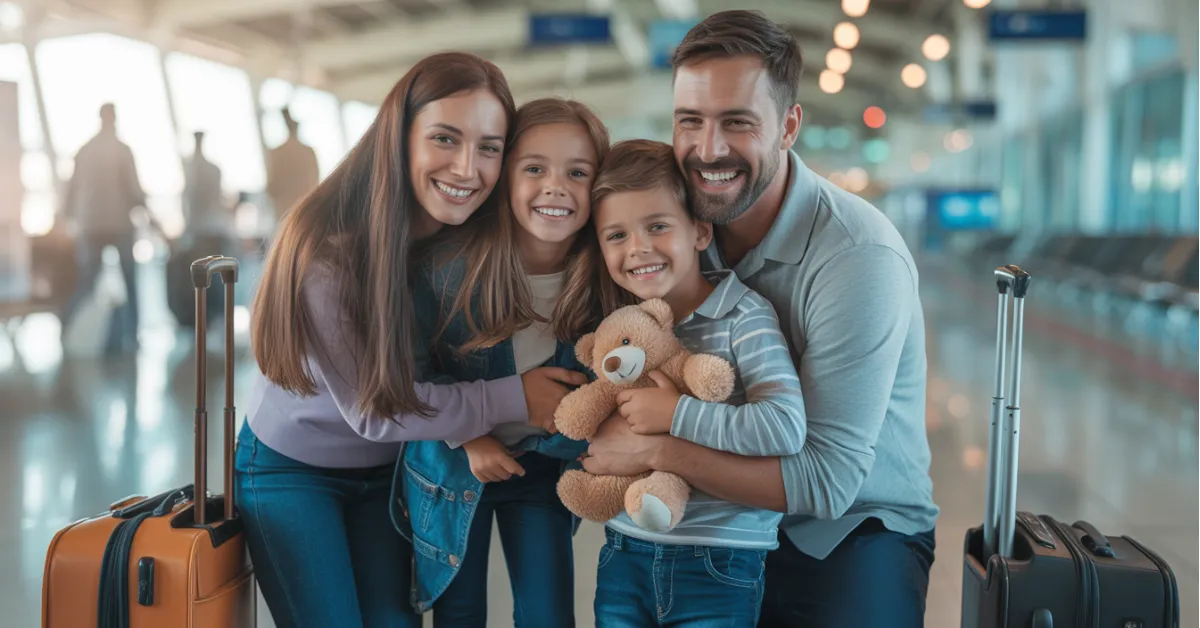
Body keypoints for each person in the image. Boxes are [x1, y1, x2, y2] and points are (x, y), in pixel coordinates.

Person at [580, 10, 939, 627]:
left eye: (737, 122)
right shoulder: (677, 233)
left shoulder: (858, 257)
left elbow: (827, 484)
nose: (709, 149)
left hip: (851, 526)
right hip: (719, 520)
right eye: (689, 121)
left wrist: (655, 450)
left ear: (788, 126)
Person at [236, 52, 585, 628]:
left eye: (490, 148)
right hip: (292, 468)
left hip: (393, 469)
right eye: (446, 138)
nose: (468, 169)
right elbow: (376, 412)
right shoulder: (327, 251)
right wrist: (517, 398)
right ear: (399, 136)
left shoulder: (469, 238)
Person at [400, 97, 617, 626]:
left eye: (578, 172)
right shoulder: (449, 270)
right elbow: (410, 375)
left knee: (549, 611)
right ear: (504, 180)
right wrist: (467, 437)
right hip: (455, 466)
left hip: (542, 467)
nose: (555, 186)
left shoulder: (604, 283)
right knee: (461, 610)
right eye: (534, 168)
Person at [587, 139, 806, 627]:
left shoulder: (743, 316)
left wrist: (675, 416)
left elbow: (785, 427)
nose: (638, 248)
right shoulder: (620, 329)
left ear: (700, 231)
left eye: (658, 227)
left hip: (720, 561)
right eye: (616, 236)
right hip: (624, 550)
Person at [59, 103, 161, 354]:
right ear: (113, 119)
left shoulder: (85, 150)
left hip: (91, 225)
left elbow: (71, 191)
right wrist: (152, 219)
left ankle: (64, 324)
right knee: (129, 280)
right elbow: (133, 190)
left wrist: (66, 220)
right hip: (119, 224)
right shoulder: (122, 150)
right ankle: (132, 335)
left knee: (87, 281)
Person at [265, 107, 320, 224]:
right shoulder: (308, 152)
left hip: (284, 214)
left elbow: (272, 188)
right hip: (305, 212)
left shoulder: (277, 153)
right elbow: (316, 183)